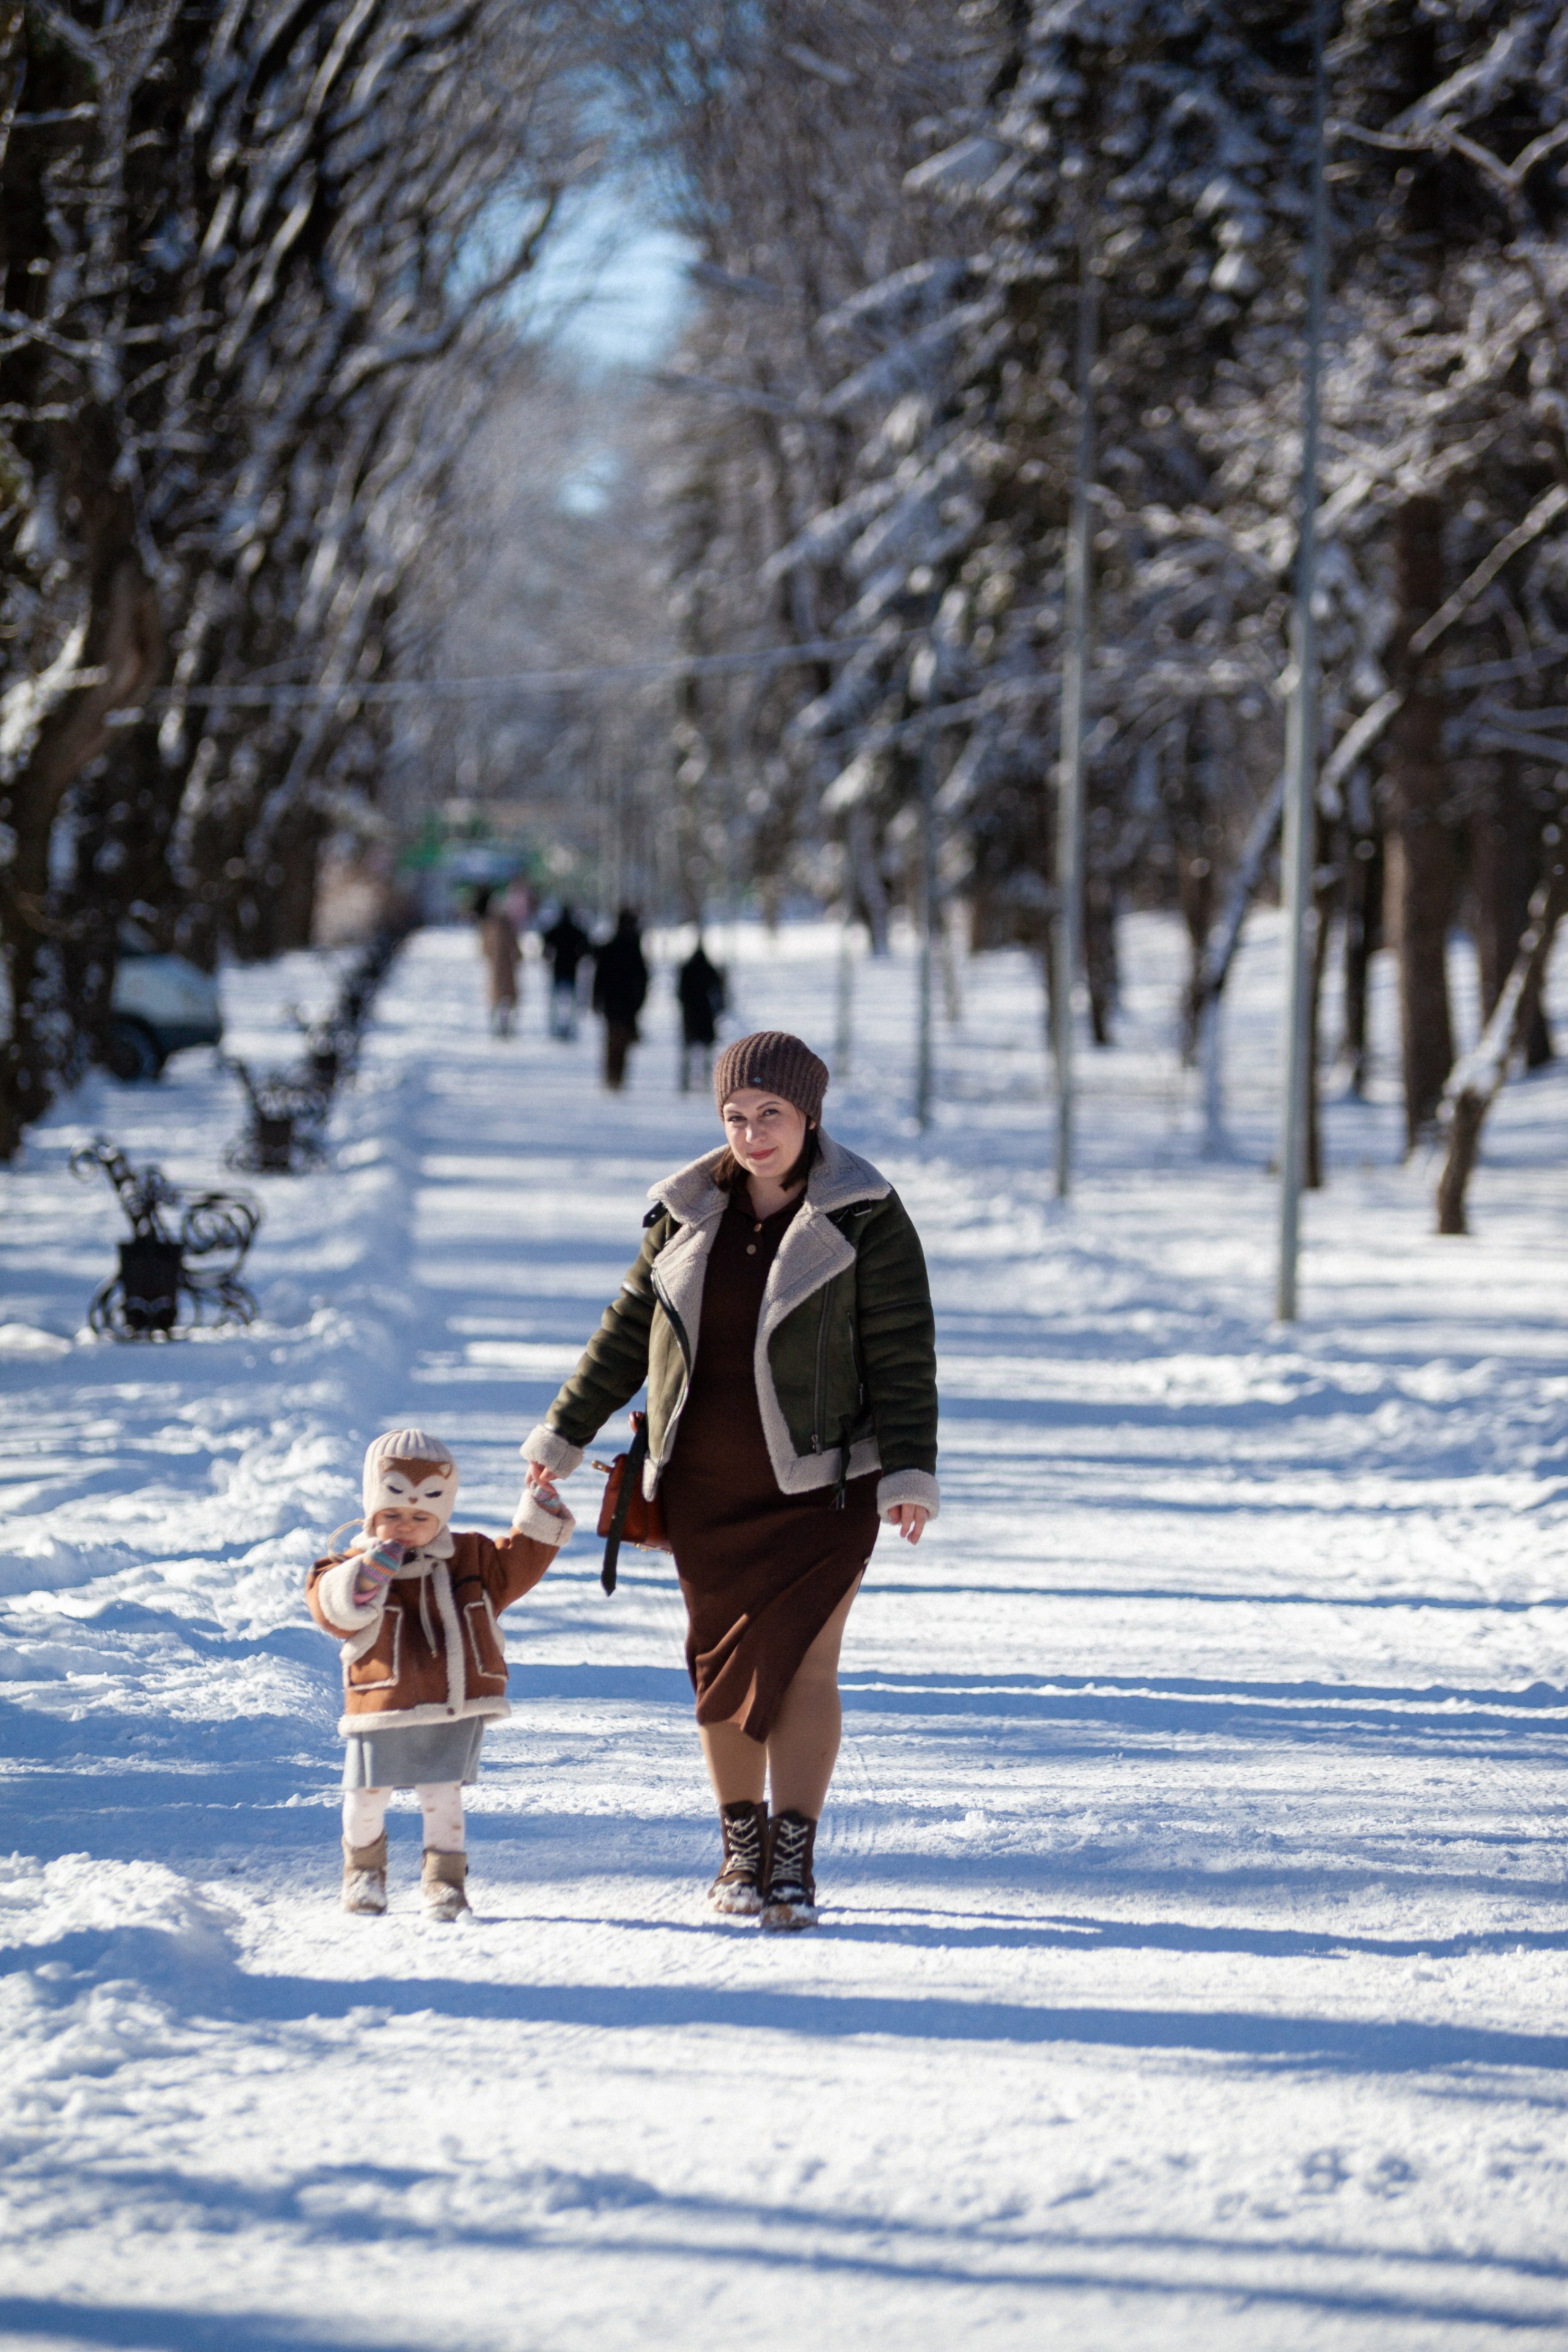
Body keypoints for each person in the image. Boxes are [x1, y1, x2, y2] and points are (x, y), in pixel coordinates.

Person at [522, 1031, 938, 1932]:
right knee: (717, 1666)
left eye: (772, 1116)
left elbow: (903, 1352)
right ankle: (740, 1847)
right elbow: (626, 1332)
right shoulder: (684, 1212)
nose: (753, 1136)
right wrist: (562, 1432)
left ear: (809, 1115)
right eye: (736, 1117)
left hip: (824, 1487)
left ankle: (795, 1854)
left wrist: (907, 1468)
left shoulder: (865, 1213)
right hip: (707, 1484)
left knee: (807, 1667)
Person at [307, 1427, 573, 1920]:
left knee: (442, 1797)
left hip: (451, 1704)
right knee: (367, 1794)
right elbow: (330, 1607)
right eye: (391, 1516)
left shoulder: (469, 1559)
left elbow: (521, 1561)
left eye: (419, 1516)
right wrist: (367, 1575)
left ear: (441, 1515)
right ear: (371, 1513)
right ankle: (363, 1871)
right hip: (381, 1704)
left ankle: (443, 1882)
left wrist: (539, 1503)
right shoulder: (346, 1564)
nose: (404, 1527)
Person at [592, 907, 649, 1091]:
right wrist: (639, 1001)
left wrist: (596, 999)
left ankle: (612, 1077)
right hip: (627, 1003)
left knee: (612, 1041)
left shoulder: (611, 947)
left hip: (612, 1003)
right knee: (622, 1042)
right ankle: (617, 1078)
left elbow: (599, 977)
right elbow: (643, 978)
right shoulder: (634, 949)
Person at [676, 937, 726, 1093]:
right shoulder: (709, 969)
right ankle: (705, 1082)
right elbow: (719, 992)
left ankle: (685, 1083)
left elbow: (680, 993)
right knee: (706, 1050)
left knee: (688, 1049)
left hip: (690, 1013)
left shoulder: (687, 969)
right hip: (705, 1013)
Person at [473, 887, 521, 1038]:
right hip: (501, 965)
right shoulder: (496, 924)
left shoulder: (494, 924)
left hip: (501, 965)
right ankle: (500, 1025)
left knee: (500, 996)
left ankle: (502, 1025)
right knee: (502, 997)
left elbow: (485, 946)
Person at [541, 902, 592, 1040]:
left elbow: (546, 943)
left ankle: (554, 1026)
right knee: (573, 1001)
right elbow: (587, 947)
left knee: (555, 1000)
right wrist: (578, 956)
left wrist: (548, 956)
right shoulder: (575, 931)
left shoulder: (556, 930)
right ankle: (572, 1027)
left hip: (558, 968)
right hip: (571, 969)